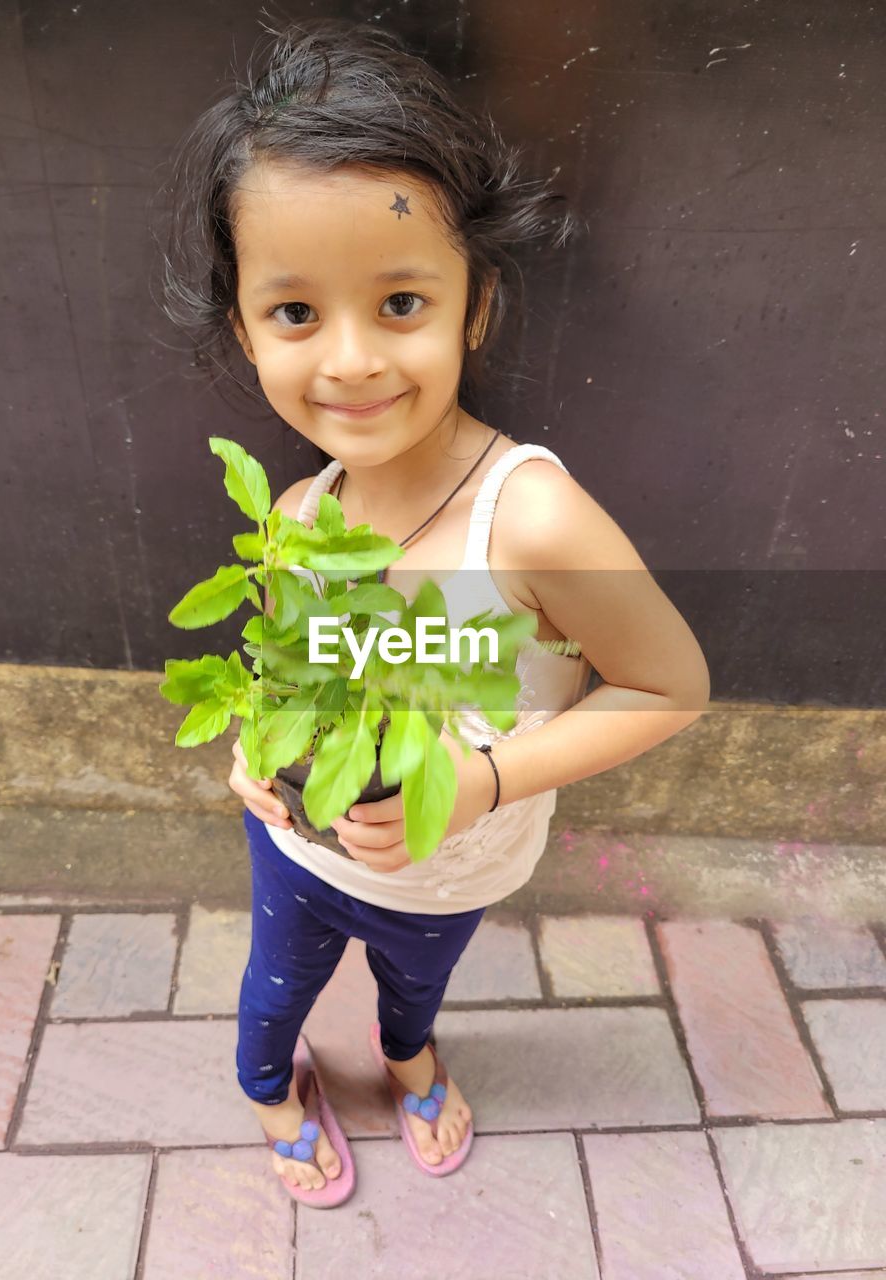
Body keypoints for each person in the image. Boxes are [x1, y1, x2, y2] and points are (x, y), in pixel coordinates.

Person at [163, 17, 710, 1208]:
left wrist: (481, 783)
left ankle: (407, 1058)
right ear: (245, 327)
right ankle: (272, 1089)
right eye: (296, 313)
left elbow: (671, 683)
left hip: (458, 860)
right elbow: (291, 670)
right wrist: (256, 753)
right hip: (298, 850)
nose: (352, 359)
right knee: (273, 990)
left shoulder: (533, 518)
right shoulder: (300, 511)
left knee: (415, 992)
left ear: (476, 305)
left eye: (401, 300)